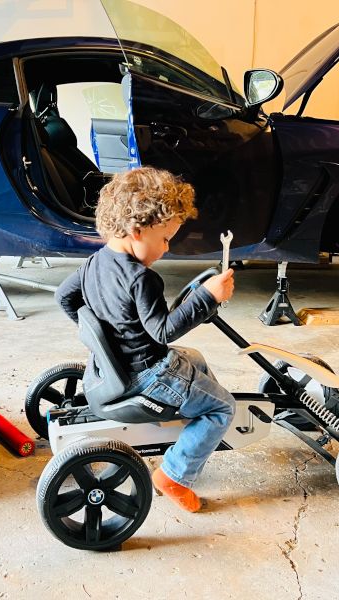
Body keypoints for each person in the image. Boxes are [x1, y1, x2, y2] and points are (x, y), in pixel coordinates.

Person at [55, 166, 235, 513]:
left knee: (194, 357)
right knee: (223, 408)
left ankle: (188, 420)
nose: (167, 248)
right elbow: (163, 332)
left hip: (119, 367)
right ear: (137, 231)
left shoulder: (93, 264)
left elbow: (65, 297)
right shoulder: (142, 279)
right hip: (152, 374)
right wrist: (207, 298)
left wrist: (103, 339)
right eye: (166, 238)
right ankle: (175, 476)